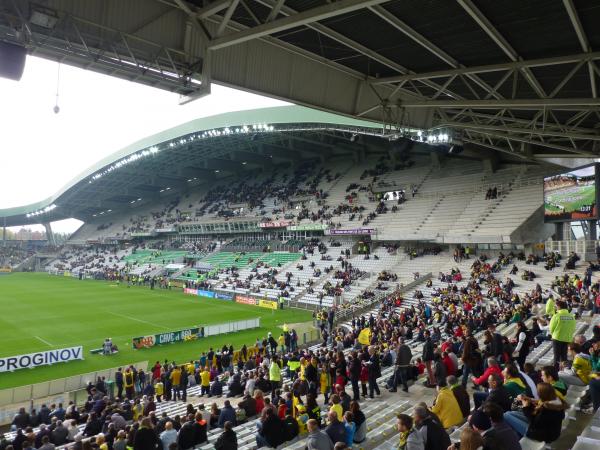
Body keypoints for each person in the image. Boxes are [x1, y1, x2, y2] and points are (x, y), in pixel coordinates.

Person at [549, 300, 576, 368]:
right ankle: (564, 370)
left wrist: (553, 334)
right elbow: (573, 327)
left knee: (557, 356)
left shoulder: (556, 316)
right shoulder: (572, 316)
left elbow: (551, 328)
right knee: (564, 356)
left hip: (557, 338)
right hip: (567, 338)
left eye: (556, 306)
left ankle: (556, 370)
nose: (555, 307)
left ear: (559, 306)